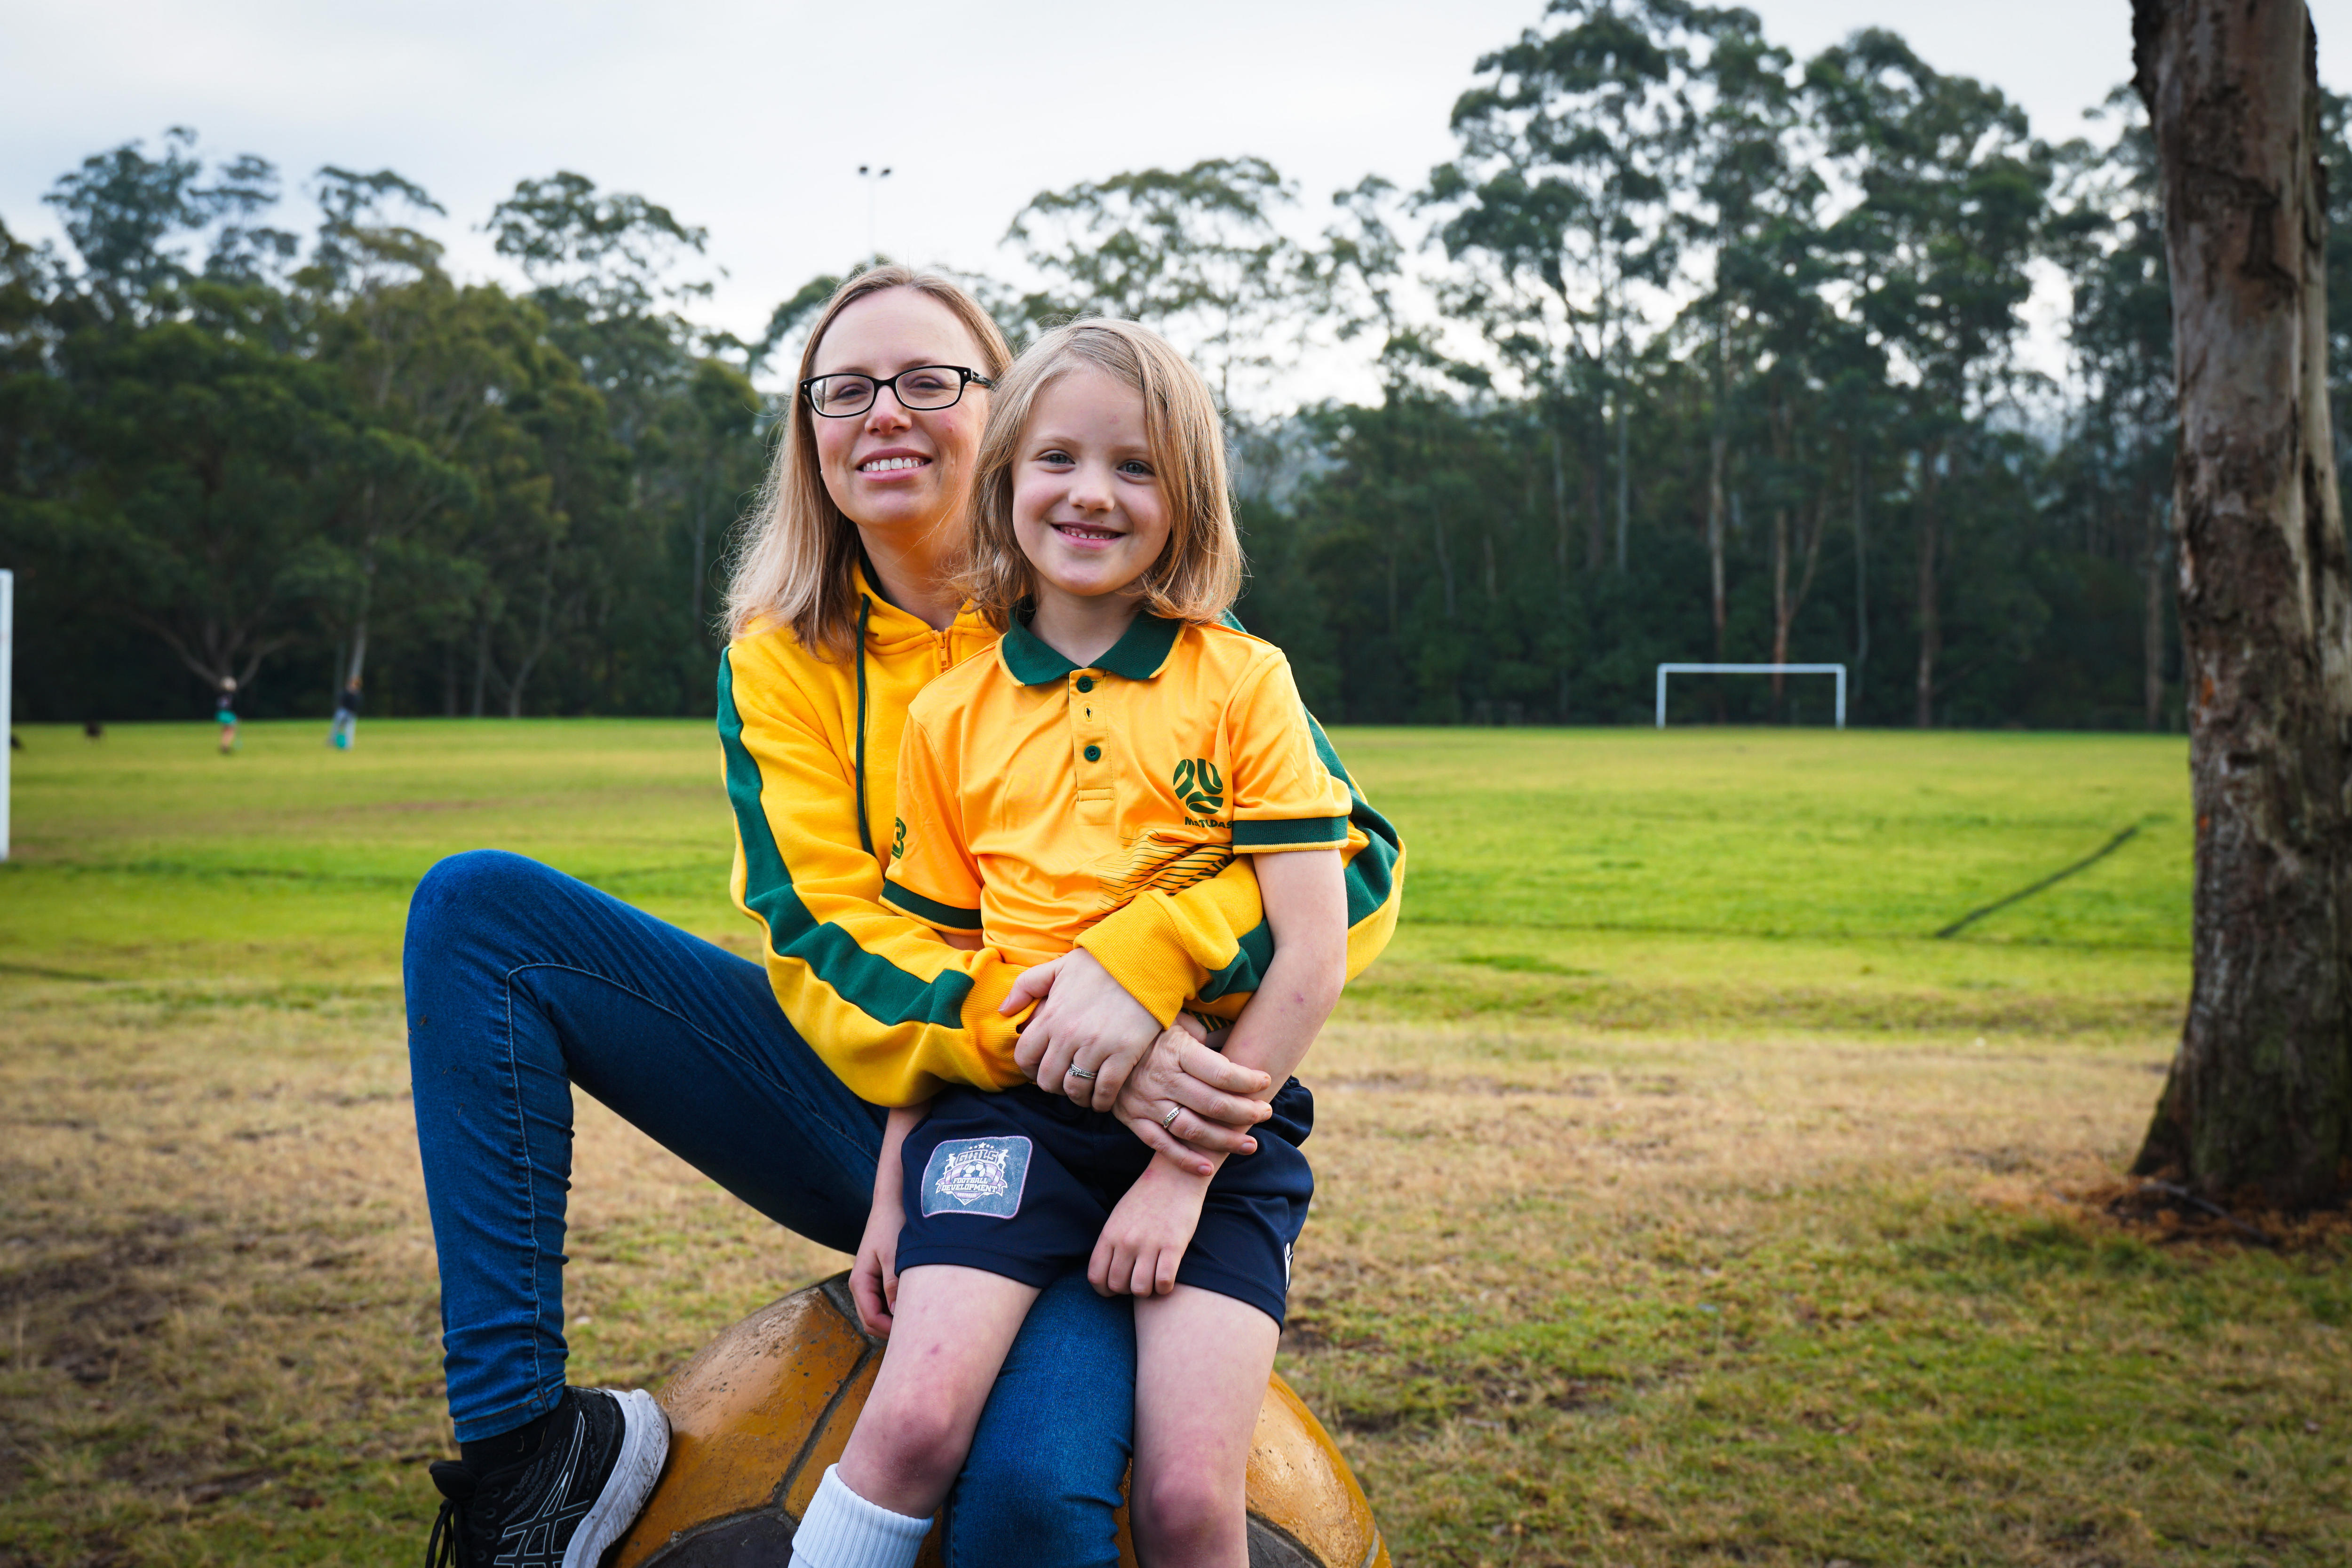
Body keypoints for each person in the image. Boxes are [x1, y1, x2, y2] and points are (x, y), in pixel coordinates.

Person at [402, 267, 1405, 1568]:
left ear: (1008, 416)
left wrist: (1141, 962)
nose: (885, 411)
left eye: (931, 379)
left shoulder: (1113, 594)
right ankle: (529, 1458)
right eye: (844, 387)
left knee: (1034, 1498)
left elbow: (1358, 865)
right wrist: (1062, 1021)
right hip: (905, 1099)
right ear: (809, 435)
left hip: (1130, 1120)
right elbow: (821, 937)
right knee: (485, 914)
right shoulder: (777, 656)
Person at [793, 321, 1349, 1568]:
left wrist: (1182, 1172)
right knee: (912, 1424)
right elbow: (945, 978)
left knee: (1191, 1502)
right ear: (1006, 483)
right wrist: (894, 1186)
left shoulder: (1247, 680)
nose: (1093, 492)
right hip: (1007, 1124)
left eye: (1137, 467)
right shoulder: (947, 717)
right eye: (1057, 457)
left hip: (1216, 1129)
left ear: (1186, 502)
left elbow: (1312, 951)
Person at [330, 678, 362, 749]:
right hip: (343, 711)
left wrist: (353, 694)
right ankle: (332, 741)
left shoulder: (358, 694)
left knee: (349, 729)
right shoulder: (346, 692)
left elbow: (357, 704)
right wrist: (349, 692)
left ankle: (348, 745)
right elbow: (341, 699)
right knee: (336, 727)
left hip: (351, 713)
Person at [214, 677, 238, 754]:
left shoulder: (220, 695)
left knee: (225, 730)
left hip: (220, 713)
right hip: (228, 714)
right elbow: (230, 706)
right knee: (231, 731)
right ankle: (225, 747)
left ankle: (223, 745)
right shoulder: (230, 696)